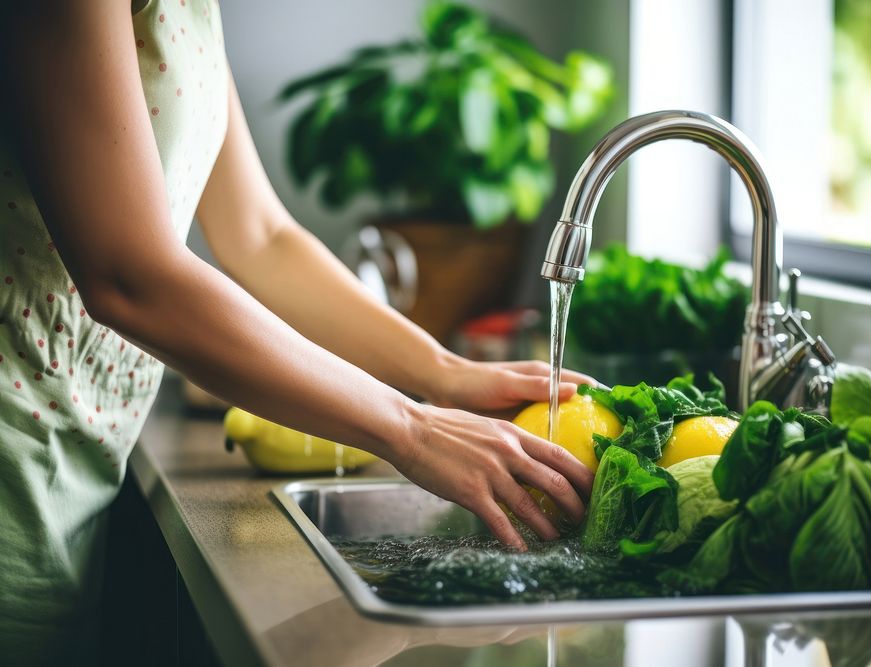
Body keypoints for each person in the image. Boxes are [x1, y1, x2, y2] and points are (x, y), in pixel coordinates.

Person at [0, 1, 594, 662]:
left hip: (74, 471)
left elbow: (260, 237)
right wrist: (411, 427)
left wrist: (441, 372)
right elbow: (128, 273)